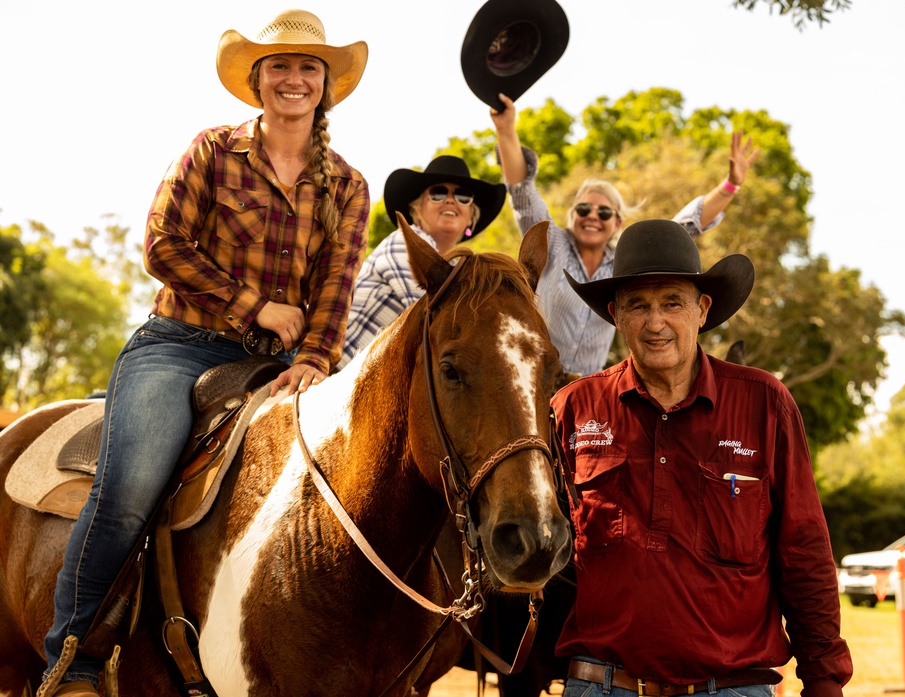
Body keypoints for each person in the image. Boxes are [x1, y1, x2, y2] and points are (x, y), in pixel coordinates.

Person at [37, 10, 370, 696]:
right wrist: (259, 308)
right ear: (255, 79)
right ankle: (76, 654)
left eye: (309, 67)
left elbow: (337, 285)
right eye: (279, 65)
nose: (294, 78)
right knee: (131, 489)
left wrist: (314, 356)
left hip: (282, 364)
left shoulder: (348, 184)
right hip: (179, 345)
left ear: (326, 85)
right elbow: (162, 244)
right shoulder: (211, 151)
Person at [549, 219, 853, 697]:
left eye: (672, 303)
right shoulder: (572, 409)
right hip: (603, 685)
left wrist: (824, 678)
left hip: (733, 687)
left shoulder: (763, 403)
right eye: (638, 306)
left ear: (702, 309)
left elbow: (804, 550)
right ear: (615, 315)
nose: (655, 323)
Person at [491, 92, 759, 377]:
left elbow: (683, 227)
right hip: (535, 380)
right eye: (584, 209)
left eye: (604, 212)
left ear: (617, 223)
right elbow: (523, 193)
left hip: (587, 385)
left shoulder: (622, 264)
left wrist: (730, 185)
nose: (593, 216)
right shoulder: (552, 245)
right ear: (573, 216)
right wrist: (506, 129)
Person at [336, 155, 506, 369]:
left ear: (470, 217)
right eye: (438, 193)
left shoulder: (452, 272)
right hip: (331, 376)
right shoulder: (405, 243)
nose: (451, 200)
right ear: (417, 209)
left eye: (463, 196)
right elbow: (446, 325)